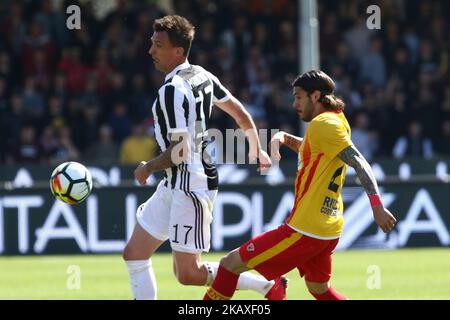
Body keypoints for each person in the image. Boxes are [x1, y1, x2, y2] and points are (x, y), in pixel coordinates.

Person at [122, 15, 287, 300]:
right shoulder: (201, 74)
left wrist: (147, 167)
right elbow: (239, 112)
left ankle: (268, 285)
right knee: (134, 254)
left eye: (158, 45)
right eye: (151, 43)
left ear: (178, 51)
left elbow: (179, 151)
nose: (150, 51)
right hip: (176, 182)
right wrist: (256, 147)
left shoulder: (171, 91)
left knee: (188, 274)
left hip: (190, 184)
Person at [204, 70, 397, 300]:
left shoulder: (324, 124)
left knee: (230, 264)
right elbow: (314, 150)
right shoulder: (337, 120)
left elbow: (360, 162)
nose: (294, 103)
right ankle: (274, 290)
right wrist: (285, 138)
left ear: (315, 96)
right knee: (319, 289)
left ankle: (271, 291)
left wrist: (376, 205)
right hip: (328, 228)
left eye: (298, 97)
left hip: (306, 229)